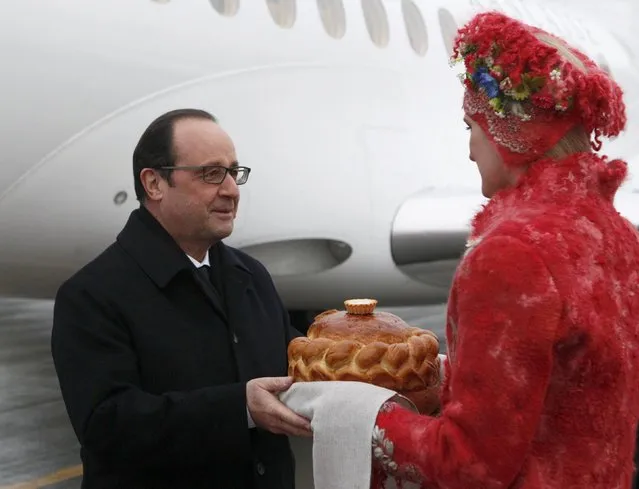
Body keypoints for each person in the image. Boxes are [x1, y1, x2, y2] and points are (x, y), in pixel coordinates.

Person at [281, 10, 639, 489]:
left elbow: (468, 465)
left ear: (509, 135)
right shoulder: (616, 234)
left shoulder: (513, 254)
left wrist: (349, 409)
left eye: (472, 127)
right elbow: (565, 385)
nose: (470, 149)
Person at [51, 108, 312, 489]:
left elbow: (295, 362)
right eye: (210, 174)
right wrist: (240, 408)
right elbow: (107, 427)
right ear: (154, 183)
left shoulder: (250, 276)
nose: (231, 190)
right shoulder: (92, 295)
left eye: (234, 172)